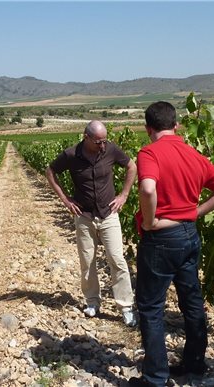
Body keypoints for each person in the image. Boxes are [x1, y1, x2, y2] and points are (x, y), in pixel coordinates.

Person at [129, 102, 214, 387]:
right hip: (189, 236)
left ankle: (155, 378)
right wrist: (197, 212)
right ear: (176, 126)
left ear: (148, 129)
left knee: (151, 307)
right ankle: (195, 364)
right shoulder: (193, 154)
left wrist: (150, 221)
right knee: (192, 301)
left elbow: (148, 187)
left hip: (161, 239)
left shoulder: (149, 152)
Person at [45, 120, 138, 326]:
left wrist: (124, 194)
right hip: (85, 216)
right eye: (98, 142)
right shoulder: (71, 155)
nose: (102, 146)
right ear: (85, 137)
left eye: (104, 141)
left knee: (117, 259)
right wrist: (65, 200)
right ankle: (92, 302)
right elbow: (50, 172)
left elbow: (132, 166)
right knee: (87, 261)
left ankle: (126, 307)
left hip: (109, 214)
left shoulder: (111, 149)